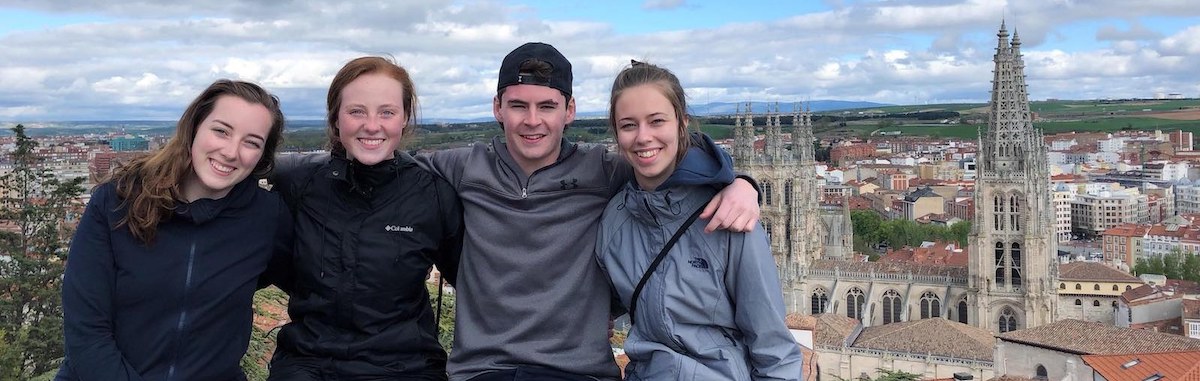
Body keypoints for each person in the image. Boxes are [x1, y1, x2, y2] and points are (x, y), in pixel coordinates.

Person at [415, 42, 761, 381]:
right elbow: (390, 173)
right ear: (497, 108)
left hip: (577, 371)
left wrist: (741, 183)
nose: (532, 121)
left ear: (569, 110)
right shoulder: (462, 166)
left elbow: (672, 153)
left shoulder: (603, 170)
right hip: (483, 371)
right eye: (518, 105)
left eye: (547, 106)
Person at [56, 79, 291, 380]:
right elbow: (86, 331)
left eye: (252, 142)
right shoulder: (118, 202)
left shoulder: (266, 217)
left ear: (263, 155)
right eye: (221, 131)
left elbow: (321, 287)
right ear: (193, 129)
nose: (232, 152)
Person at [595, 61, 803, 380]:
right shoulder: (614, 221)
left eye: (657, 121)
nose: (643, 137)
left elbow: (775, 352)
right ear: (616, 132)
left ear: (682, 123)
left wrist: (742, 183)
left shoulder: (730, 216)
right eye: (628, 125)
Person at [264, 56, 464, 380]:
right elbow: (267, 265)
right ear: (335, 119)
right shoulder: (299, 186)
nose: (372, 125)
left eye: (387, 112)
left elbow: (468, 280)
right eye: (357, 111)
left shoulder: (432, 195)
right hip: (308, 363)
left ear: (404, 119)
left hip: (406, 366)